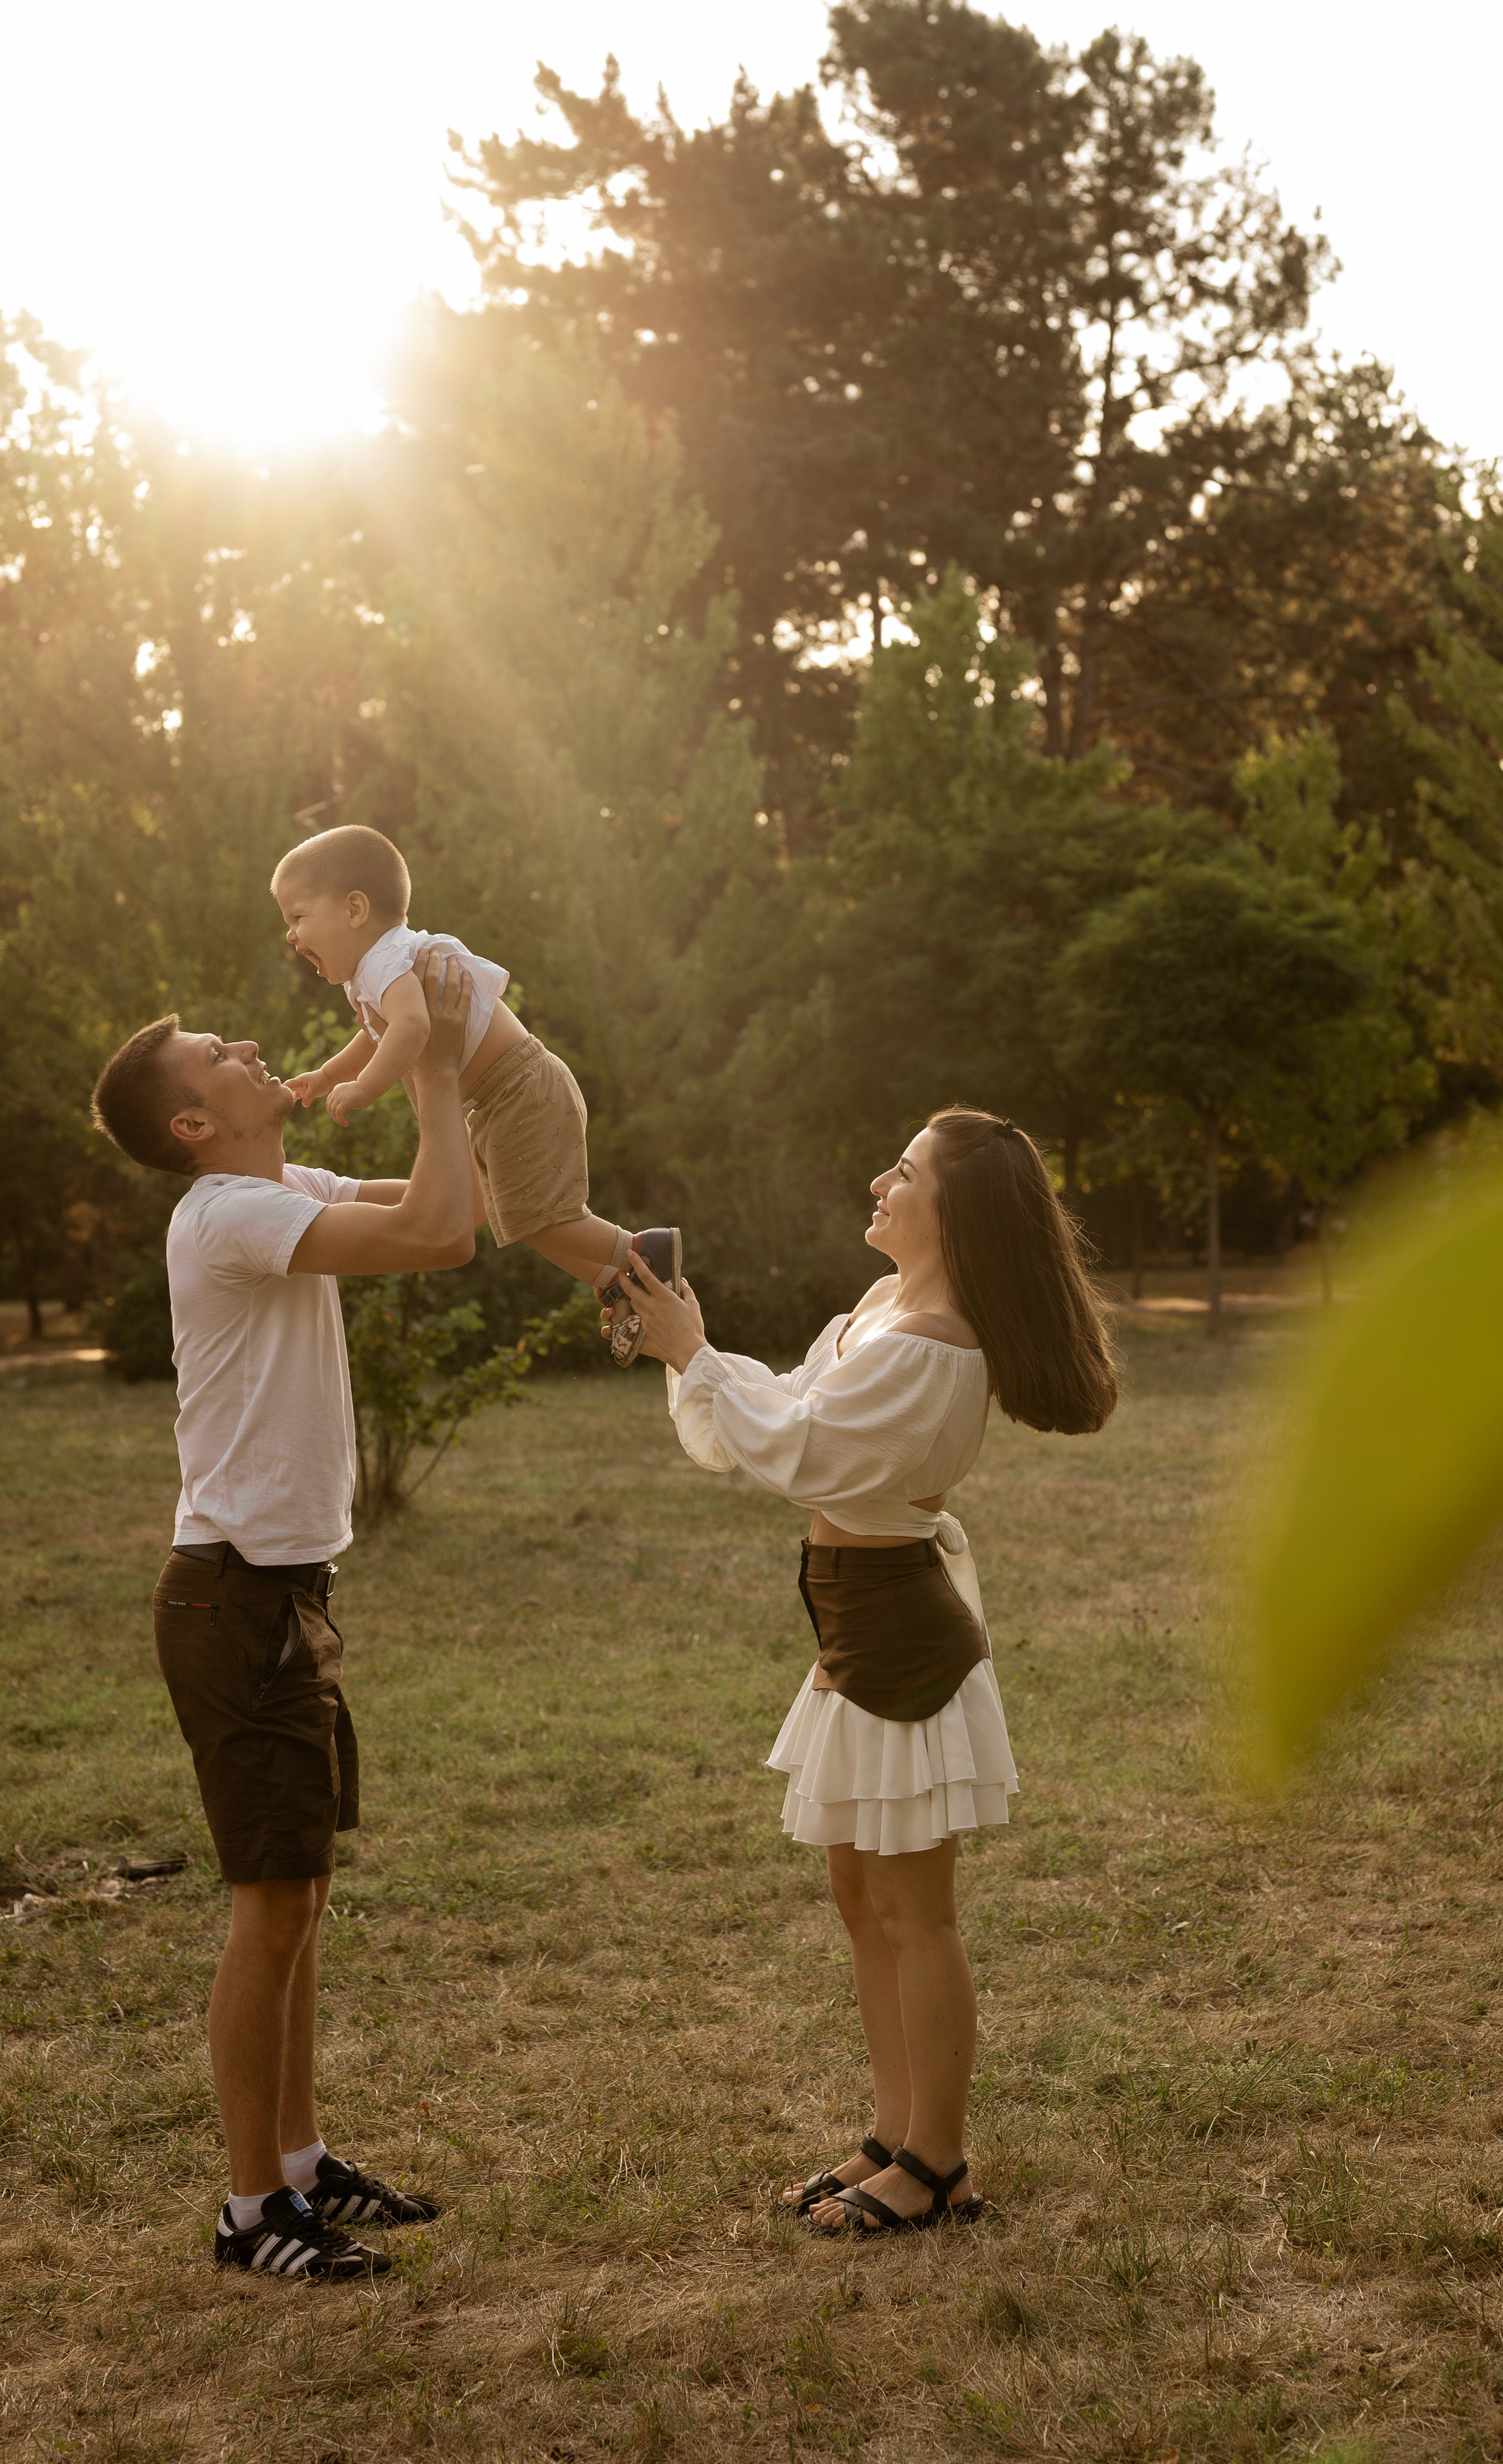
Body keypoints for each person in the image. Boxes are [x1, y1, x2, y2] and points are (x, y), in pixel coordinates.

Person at [610, 1109, 1117, 2237]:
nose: (882, 1179)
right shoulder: (886, 1311)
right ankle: (895, 2134)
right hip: (854, 1619)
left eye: (908, 1170)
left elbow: (807, 1454)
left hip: (898, 1631)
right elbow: (786, 1410)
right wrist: (689, 1349)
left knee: (914, 1906)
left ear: (955, 1210)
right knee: (858, 1889)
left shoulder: (937, 1341)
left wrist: (695, 1354)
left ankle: (940, 2161)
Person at [89, 951, 478, 2284]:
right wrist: (419, 1059)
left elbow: (454, 1202)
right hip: (234, 1597)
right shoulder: (222, 1217)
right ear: (192, 1123)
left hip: (283, 1593)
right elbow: (436, 1235)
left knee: (300, 1893)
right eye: (213, 1052)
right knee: (268, 1911)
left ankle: (302, 2168)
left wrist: (442, 1055)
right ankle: (249, 2210)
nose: (246, 1042)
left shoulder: (280, 1187)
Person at [271, 823, 679, 1364]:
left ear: (354, 910)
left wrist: (364, 1089)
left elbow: (412, 1028)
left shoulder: (387, 959)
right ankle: (620, 1285)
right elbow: (375, 1034)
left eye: (298, 917)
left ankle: (643, 1253)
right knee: (521, 1221)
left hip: (518, 1088)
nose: (291, 936)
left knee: (540, 1217)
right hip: (502, 1097)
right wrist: (327, 1075)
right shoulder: (371, 973)